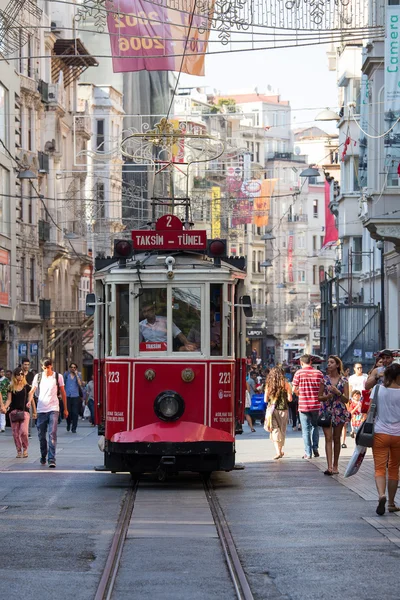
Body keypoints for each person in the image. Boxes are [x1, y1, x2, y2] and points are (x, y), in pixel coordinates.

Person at [371, 363, 400, 516]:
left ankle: (381, 495)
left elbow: (371, 410)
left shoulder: (377, 389)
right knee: (394, 468)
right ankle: (391, 503)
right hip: (398, 436)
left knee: (379, 468)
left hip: (380, 433)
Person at [28, 357, 67, 468]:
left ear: (52, 366)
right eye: (45, 368)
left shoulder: (57, 376)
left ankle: (52, 459)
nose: (47, 370)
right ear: (42, 367)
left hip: (53, 409)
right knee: (41, 436)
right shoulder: (38, 377)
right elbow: (32, 391)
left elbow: (63, 393)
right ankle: (43, 455)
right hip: (41, 410)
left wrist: (65, 408)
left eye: (49, 367)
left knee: (52, 433)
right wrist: (28, 401)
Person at [318, 355, 350, 476]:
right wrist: (327, 397)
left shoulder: (344, 381)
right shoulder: (324, 379)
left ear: (337, 365)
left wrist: (338, 393)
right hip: (326, 410)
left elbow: (346, 400)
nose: (329, 364)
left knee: (337, 438)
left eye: (332, 362)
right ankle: (329, 466)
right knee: (328, 438)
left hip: (339, 411)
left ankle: (336, 465)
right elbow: (319, 397)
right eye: (328, 362)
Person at [292, 354, 324, 459]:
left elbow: (294, 389)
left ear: (301, 363)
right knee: (315, 427)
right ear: (311, 362)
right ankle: (315, 448)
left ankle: (308, 453)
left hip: (304, 405)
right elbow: (322, 389)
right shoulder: (319, 373)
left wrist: (299, 394)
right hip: (316, 404)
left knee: (305, 430)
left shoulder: (298, 373)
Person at [1, 368, 35, 458]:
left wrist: (34, 411)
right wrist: (4, 407)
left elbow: (31, 400)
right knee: (15, 433)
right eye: (18, 374)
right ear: (15, 376)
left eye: (22, 374)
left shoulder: (26, 387)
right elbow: (9, 400)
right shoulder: (11, 387)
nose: (20, 376)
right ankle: (19, 450)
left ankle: (25, 449)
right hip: (13, 412)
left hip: (24, 412)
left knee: (24, 431)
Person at [264, 367, 292, 459]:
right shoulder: (286, 384)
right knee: (282, 431)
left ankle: (278, 452)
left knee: (275, 430)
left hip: (272, 410)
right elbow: (290, 399)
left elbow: (265, 399)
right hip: (283, 410)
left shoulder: (269, 385)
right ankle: (280, 450)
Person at [63, 362, 83, 433]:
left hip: (75, 396)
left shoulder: (79, 375)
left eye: (74, 367)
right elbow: (63, 384)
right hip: (67, 396)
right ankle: (68, 423)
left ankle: (74, 428)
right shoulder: (66, 375)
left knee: (75, 413)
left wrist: (77, 375)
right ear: (69, 368)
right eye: (72, 367)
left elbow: (80, 384)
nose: (73, 369)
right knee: (68, 412)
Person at [20, 357, 35, 438]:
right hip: (19, 396)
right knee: (20, 414)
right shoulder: (18, 373)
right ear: (22, 364)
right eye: (25, 365)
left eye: (28, 365)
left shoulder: (31, 374)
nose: (26, 366)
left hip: (29, 396)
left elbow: (32, 385)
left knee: (28, 414)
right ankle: (21, 431)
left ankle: (28, 432)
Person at [0, 367, 9, 432]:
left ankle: (2, 426)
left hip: (4, 398)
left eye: (3, 372)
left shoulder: (6, 380)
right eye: (1, 372)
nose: (2, 373)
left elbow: (9, 389)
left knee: (2, 412)